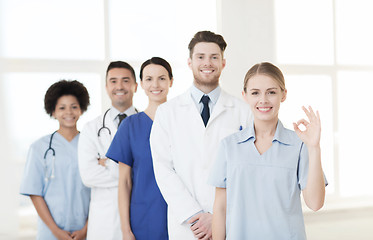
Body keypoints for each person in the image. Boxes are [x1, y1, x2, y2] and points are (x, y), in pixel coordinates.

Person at [149, 31, 252, 240]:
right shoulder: (168, 112)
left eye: (214, 57)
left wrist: (217, 217)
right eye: (201, 57)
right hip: (188, 226)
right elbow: (163, 169)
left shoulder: (243, 111)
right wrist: (195, 215)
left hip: (229, 221)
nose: (208, 63)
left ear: (223, 63)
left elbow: (249, 170)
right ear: (189, 62)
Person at [209, 62, 328, 240]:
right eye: (255, 93)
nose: (263, 100)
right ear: (245, 96)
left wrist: (314, 147)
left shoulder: (300, 144)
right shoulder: (229, 146)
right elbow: (220, 208)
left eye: (271, 92)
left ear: (283, 94)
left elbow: (315, 203)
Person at [106, 57, 173, 240]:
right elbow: (124, 182)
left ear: (171, 81)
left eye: (161, 78)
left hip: (179, 214)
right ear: (141, 84)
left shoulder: (182, 123)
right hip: (143, 219)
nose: (155, 84)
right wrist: (126, 230)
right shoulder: (130, 126)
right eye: (149, 79)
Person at [20, 80, 91, 240]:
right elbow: (35, 193)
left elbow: (98, 192)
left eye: (74, 106)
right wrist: (55, 231)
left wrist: (86, 229)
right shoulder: (39, 148)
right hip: (51, 232)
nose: (69, 112)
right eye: (62, 108)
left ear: (81, 109)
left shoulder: (90, 145)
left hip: (86, 231)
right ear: (53, 112)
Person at [78, 61, 138, 240]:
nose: (119, 86)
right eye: (113, 81)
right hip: (104, 220)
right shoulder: (91, 128)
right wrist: (131, 170)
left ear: (135, 86)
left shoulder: (149, 124)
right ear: (106, 87)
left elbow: (154, 172)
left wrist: (108, 162)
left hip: (139, 211)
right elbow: (88, 175)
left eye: (125, 80)